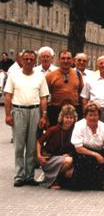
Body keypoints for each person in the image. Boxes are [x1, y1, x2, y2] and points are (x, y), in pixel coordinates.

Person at [3, 50, 49, 187]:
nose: (29, 62)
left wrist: (44, 115)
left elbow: (43, 98)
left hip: (34, 111)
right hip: (18, 111)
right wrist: (8, 114)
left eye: (31, 59)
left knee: (31, 146)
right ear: (21, 60)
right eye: (26, 59)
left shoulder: (40, 76)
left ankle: (29, 175)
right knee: (19, 145)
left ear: (35, 61)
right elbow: (7, 96)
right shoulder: (14, 75)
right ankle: (19, 175)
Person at [70, 102, 104, 190]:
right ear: (85, 116)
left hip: (100, 155)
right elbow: (78, 148)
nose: (93, 118)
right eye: (90, 115)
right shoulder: (79, 125)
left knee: (101, 185)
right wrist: (96, 155)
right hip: (82, 153)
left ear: (99, 116)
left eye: (95, 115)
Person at [36, 104, 77, 189]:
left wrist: (69, 154)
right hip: (50, 158)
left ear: (74, 119)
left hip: (63, 158)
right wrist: (39, 156)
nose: (69, 120)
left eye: (71, 118)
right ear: (62, 118)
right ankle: (53, 180)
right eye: (67, 117)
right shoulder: (53, 129)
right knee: (68, 161)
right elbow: (39, 142)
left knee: (70, 173)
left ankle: (52, 177)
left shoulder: (75, 131)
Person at [45, 50, 84, 125]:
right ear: (58, 60)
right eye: (63, 58)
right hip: (56, 110)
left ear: (72, 60)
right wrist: (45, 114)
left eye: (68, 58)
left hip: (74, 110)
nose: (66, 61)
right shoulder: (50, 76)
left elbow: (81, 94)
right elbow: (45, 96)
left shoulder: (78, 74)